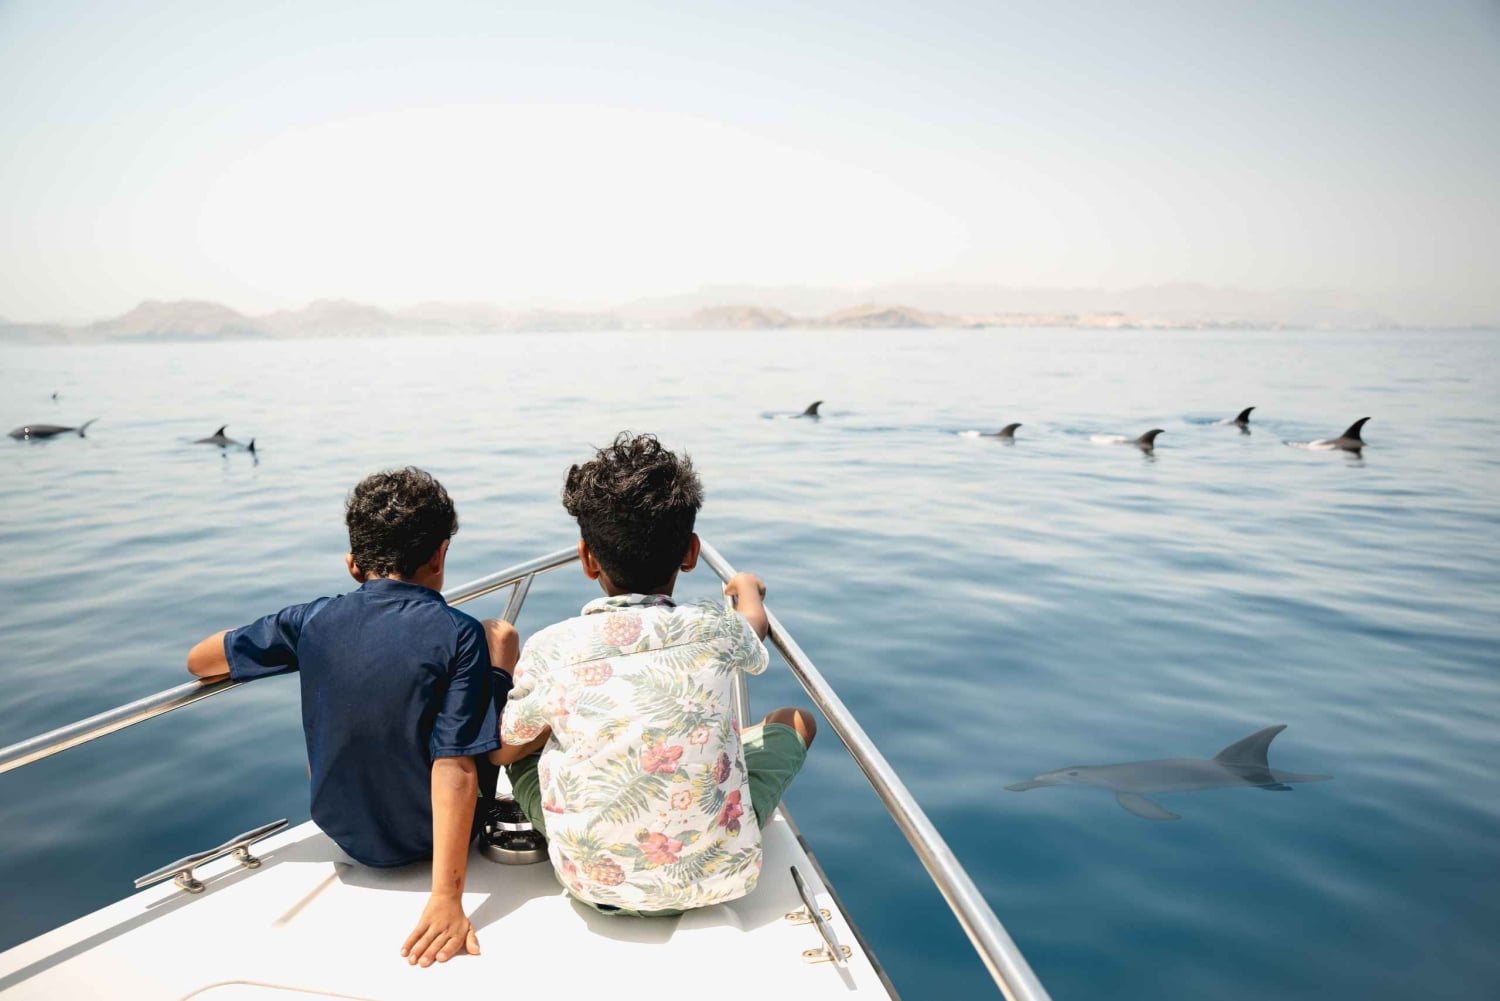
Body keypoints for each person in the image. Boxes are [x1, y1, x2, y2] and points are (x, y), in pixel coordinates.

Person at [185, 467, 519, 966]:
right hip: (428, 837)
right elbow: (455, 769)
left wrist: (274, 633)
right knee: (501, 639)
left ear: (352, 564)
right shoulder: (459, 633)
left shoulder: (308, 620)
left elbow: (199, 661)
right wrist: (447, 899)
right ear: (440, 554)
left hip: (343, 831)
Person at [497, 432, 816, 915]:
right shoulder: (715, 626)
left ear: (587, 558)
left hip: (593, 884)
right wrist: (747, 587)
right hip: (720, 878)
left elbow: (503, 749)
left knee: (523, 748)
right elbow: (754, 626)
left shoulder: (551, 647)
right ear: (690, 553)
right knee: (796, 719)